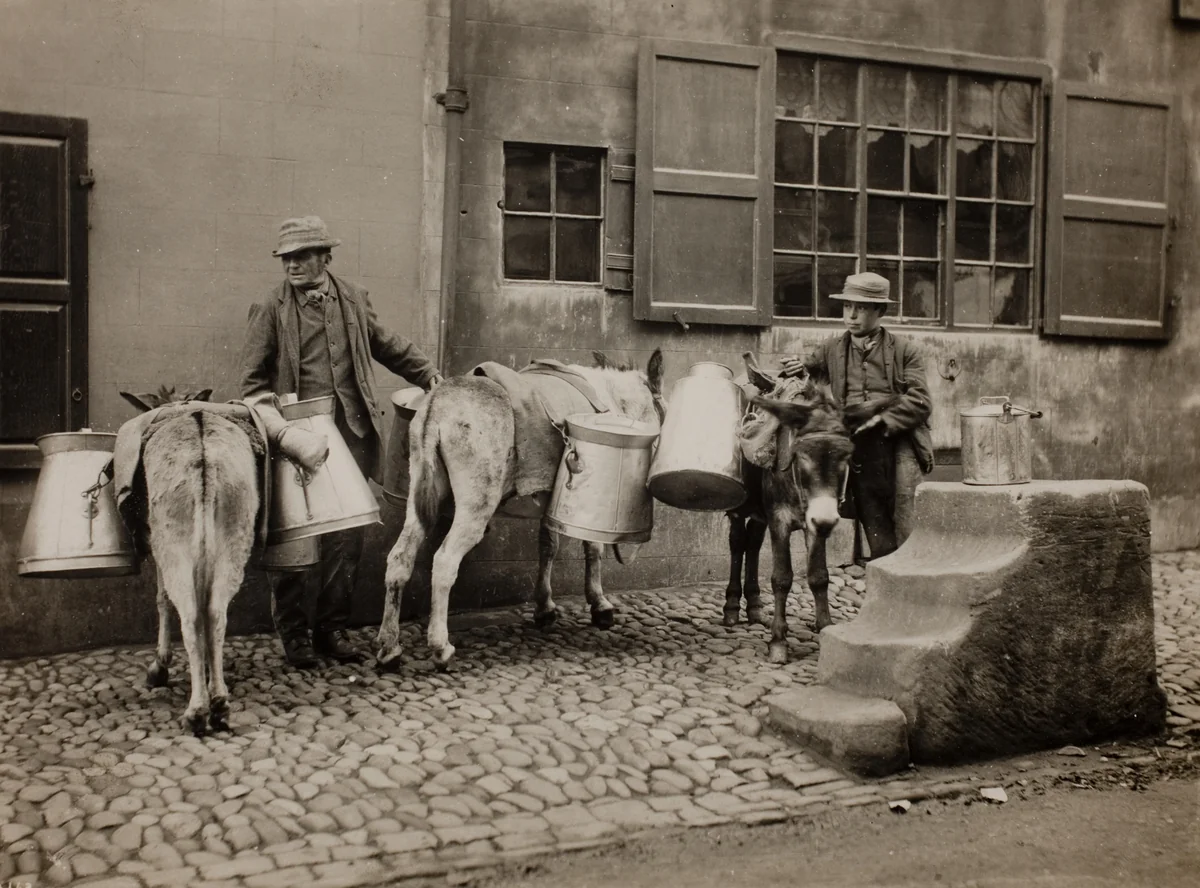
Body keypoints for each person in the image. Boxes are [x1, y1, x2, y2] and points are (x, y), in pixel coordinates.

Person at [240, 216, 443, 668]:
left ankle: (331, 630)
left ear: (325, 257)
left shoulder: (352, 298)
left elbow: (386, 344)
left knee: (346, 538)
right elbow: (251, 384)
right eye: (285, 258)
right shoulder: (269, 306)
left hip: (350, 436)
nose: (291, 265)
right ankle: (294, 638)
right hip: (295, 442)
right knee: (293, 538)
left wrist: (429, 375)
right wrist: (282, 431)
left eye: (301, 256)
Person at [781, 271, 933, 561]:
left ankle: (912, 580)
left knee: (906, 517)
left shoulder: (905, 351)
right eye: (847, 307)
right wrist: (796, 367)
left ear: (880, 311)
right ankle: (883, 577)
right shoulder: (832, 349)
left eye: (861, 308)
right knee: (873, 520)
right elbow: (809, 370)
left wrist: (882, 420)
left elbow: (921, 401)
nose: (851, 315)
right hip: (857, 447)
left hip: (897, 442)